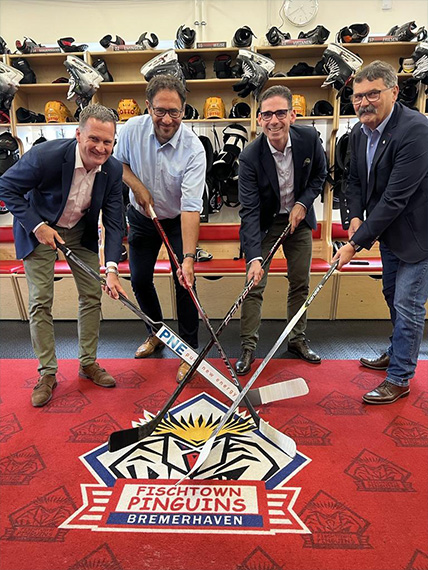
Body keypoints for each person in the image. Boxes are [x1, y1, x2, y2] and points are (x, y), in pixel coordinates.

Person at [0, 104, 126, 407]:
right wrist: (38, 226)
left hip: (79, 231)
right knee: (41, 300)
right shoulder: (47, 156)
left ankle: (88, 363)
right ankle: (47, 373)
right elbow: (5, 185)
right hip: (41, 229)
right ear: (78, 134)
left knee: (92, 295)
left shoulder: (113, 169)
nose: (100, 147)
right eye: (94, 139)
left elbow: (113, 220)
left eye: (107, 142)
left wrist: (111, 268)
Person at [332, 60, 428, 404]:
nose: (364, 102)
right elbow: (354, 180)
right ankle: (398, 350)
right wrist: (354, 216)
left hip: (419, 236)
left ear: (394, 91)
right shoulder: (358, 132)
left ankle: (400, 376)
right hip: (389, 234)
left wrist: (355, 244)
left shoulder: (416, 129)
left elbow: (395, 198)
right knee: (391, 295)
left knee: (408, 303)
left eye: (373, 93)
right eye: (358, 96)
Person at [114, 74, 206, 383]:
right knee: (140, 280)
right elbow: (119, 166)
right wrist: (138, 187)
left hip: (177, 220)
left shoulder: (194, 148)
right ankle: (156, 332)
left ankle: (189, 349)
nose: (167, 119)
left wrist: (189, 259)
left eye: (175, 112)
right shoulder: (130, 131)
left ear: (184, 109)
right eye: (160, 110)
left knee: (185, 283)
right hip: (141, 218)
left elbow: (192, 207)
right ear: (147, 106)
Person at [235, 85, 327, 375]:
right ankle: (248, 347)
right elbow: (249, 211)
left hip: (298, 222)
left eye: (280, 113)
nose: (273, 121)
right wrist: (253, 259)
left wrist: (303, 203)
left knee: (300, 282)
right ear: (259, 119)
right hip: (265, 224)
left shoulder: (310, 139)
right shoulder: (249, 157)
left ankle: (297, 340)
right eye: (267, 115)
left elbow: (320, 175)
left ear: (292, 115)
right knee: (254, 284)